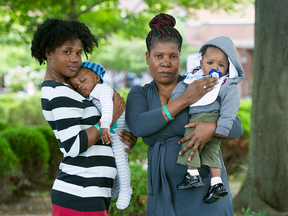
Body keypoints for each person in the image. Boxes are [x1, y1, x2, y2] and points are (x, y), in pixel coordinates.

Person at [125, 13, 243, 215]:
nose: (166, 62)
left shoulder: (200, 83)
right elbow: (139, 127)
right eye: (158, 56)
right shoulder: (141, 92)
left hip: (207, 190)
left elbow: (236, 127)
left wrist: (211, 128)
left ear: (180, 56)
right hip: (164, 191)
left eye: (173, 56)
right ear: (147, 57)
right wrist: (186, 99)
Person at [31, 18, 137, 215]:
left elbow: (95, 137)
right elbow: (73, 145)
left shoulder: (71, 89)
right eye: (67, 51)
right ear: (48, 53)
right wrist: (107, 120)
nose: (75, 58)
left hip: (91, 193)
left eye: (78, 52)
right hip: (79, 194)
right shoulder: (58, 92)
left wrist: (123, 137)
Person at [172, 36, 245, 204]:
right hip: (206, 120)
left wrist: (222, 127)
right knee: (211, 150)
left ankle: (193, 174)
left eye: (221, 65)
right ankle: (217, 184)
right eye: (210, 63)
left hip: (209, 118)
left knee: (190, 142)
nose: (215, 68)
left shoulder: (226, 85)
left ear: (228, 67)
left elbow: (231, 107)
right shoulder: (193, 79)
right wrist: (177, 100)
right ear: (201, 63)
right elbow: (179, 92)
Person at [69, 61, 132, 210]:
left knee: (120, 157)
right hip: (114, 127)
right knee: (115, 160)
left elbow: (109, 107)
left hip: (118, 129)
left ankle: (125, 190)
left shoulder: (101, 89)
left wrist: (104, 126)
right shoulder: (91, 94)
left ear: (97, 78)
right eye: (76, 86)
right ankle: (117, 188)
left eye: (83, 80)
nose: (80, 86)